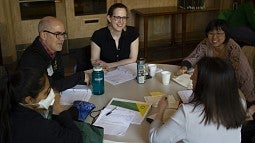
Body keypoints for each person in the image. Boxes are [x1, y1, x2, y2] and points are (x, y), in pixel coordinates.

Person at [149, 57, 246, 143]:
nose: (190, 77)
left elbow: (155, 139)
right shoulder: (240, 104)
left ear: (204, 86)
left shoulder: (188, 113)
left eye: (194, 77)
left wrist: (160, 110)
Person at [176, 19, 255, 102]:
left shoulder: (233, 48)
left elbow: (239, 73)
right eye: (211, 33)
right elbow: (194, 56)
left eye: (219, 33)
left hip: (238, 86)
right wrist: (184, 68)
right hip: (216, 84)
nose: (214, 37)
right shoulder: (206, 43)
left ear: (226, 34)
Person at [0, 67, 83, 143]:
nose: (52, 94)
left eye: (50, 89)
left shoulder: (11, 105)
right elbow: (76, 138)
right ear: (29, 100)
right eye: (46, 93)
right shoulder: (36, 126)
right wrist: (59, 109)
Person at [18, 16, 89, 92]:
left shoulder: (54, 50)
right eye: (57, 34)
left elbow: (59, 78)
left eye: (63, 34)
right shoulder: (32, 58)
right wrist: (79, 77)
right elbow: (46, 90)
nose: (62, 39)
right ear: (44, 35)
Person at [90, 3, 139, 70]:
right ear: (109, 18)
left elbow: (133, 59)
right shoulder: (98, 35)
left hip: (127, 71)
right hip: (106, 71)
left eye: (124, 18)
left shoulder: (133, 33)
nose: (121, 21)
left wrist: (110, 65)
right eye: (117, 17)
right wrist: (99, 64)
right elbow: (94, 61)